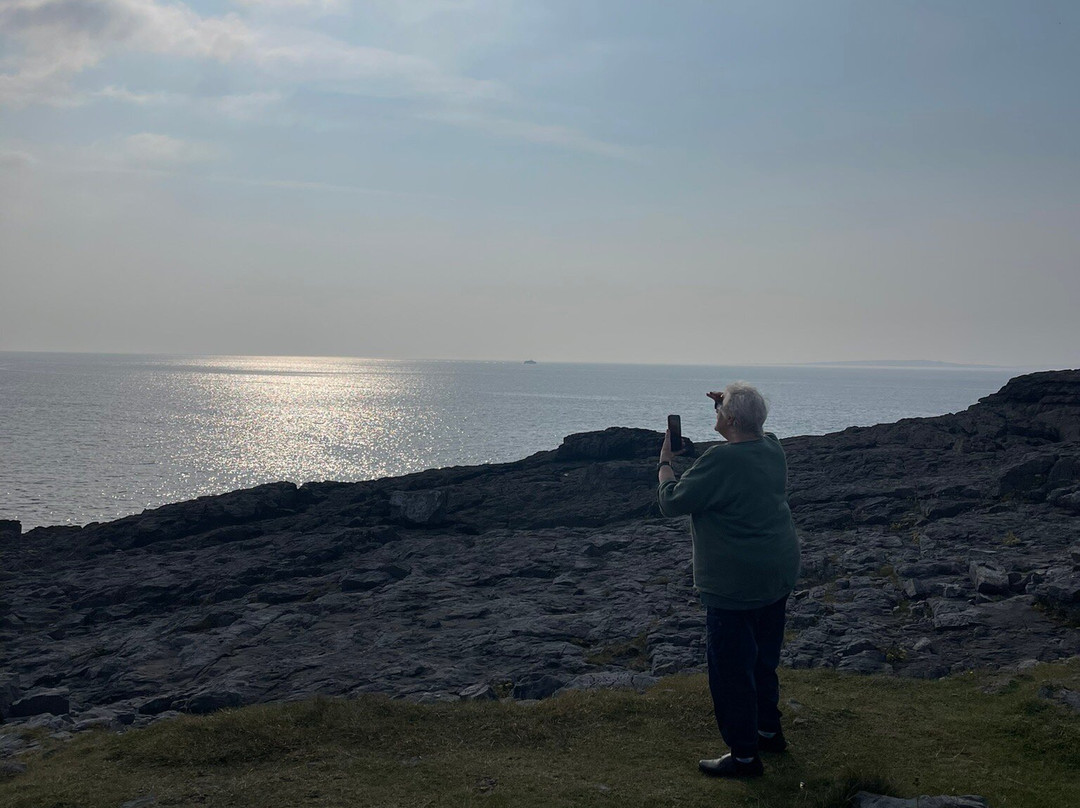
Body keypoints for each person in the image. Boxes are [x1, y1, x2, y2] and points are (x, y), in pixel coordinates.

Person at [656, 382, 800, 778]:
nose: (716, 416)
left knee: (731, 672)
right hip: (777, 571)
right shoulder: (772, 447)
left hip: (735, 584)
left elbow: (671, 502)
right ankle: (768, 732)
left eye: (721, 413)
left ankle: (744, 758)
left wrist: (666, 463)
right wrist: (732, 405)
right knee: (762, 660)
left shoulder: (721, 461)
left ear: (731, 420)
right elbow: (753, 429)